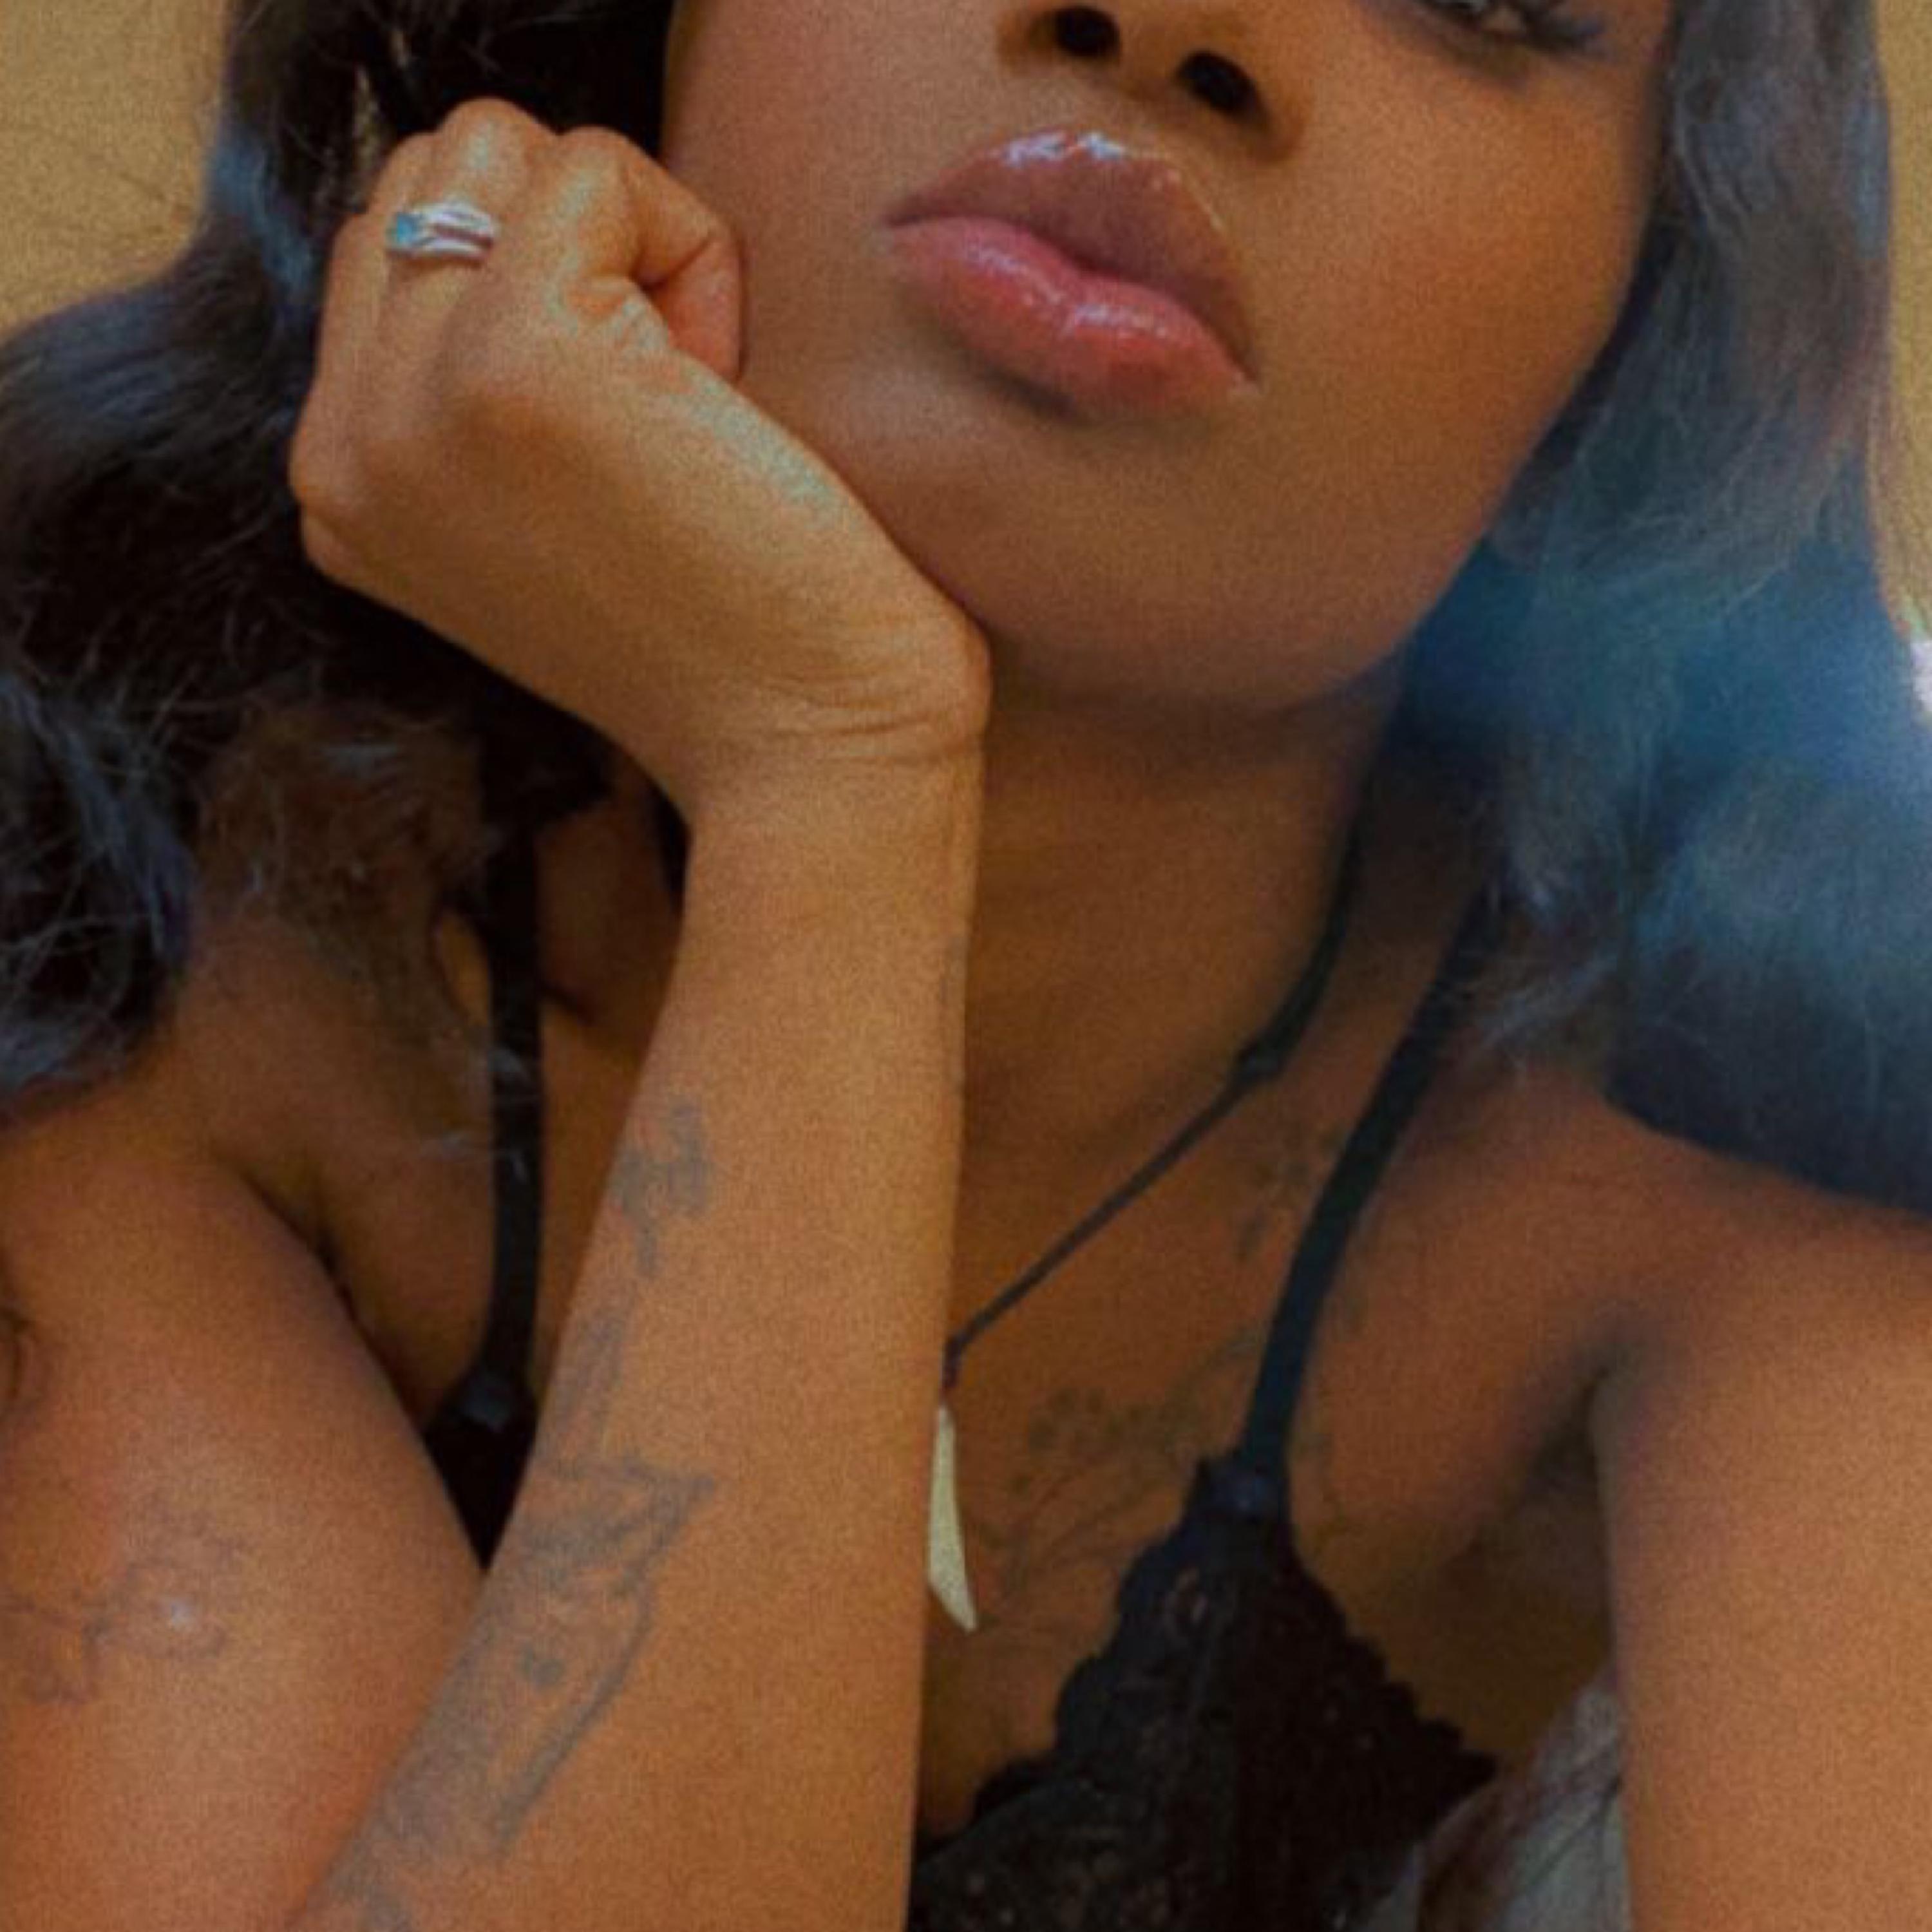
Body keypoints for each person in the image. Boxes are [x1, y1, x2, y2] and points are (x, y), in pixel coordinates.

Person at [0, 0, 1928, 1927]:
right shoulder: (130, 811)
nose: (1180, 23)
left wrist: (816, 782)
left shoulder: (1782, 1083)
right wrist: (829, 790)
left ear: (1645, 336)